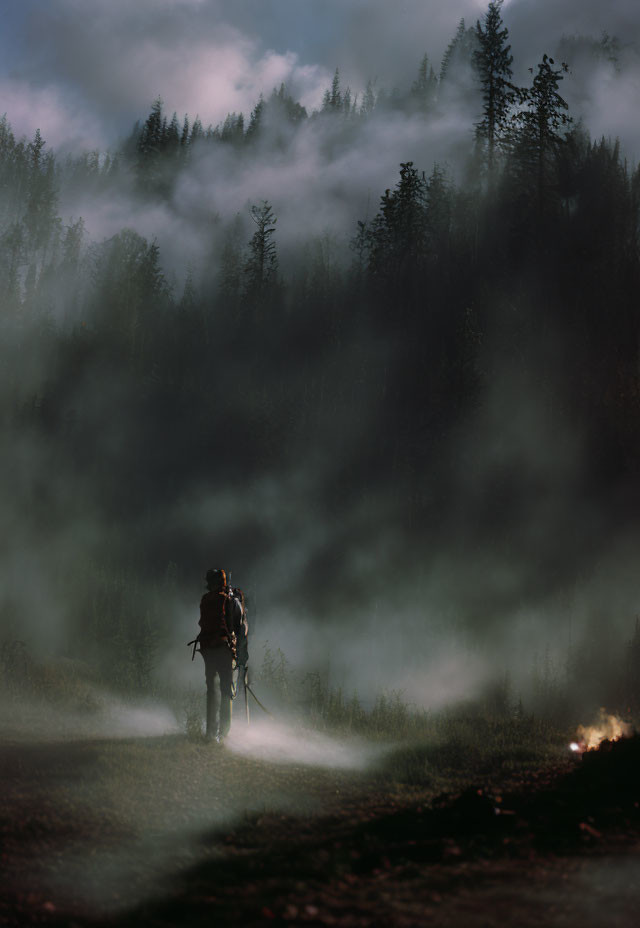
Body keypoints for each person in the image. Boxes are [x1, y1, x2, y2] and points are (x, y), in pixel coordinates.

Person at [197, 568, 248, 742]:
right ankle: (224, 734)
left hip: (207, 650)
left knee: (211, 690)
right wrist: (242, 655)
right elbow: (240, 629)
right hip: (224, 650)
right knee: (227, 690)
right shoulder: (231, 601)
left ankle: (210, 733)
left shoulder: (205, 601)